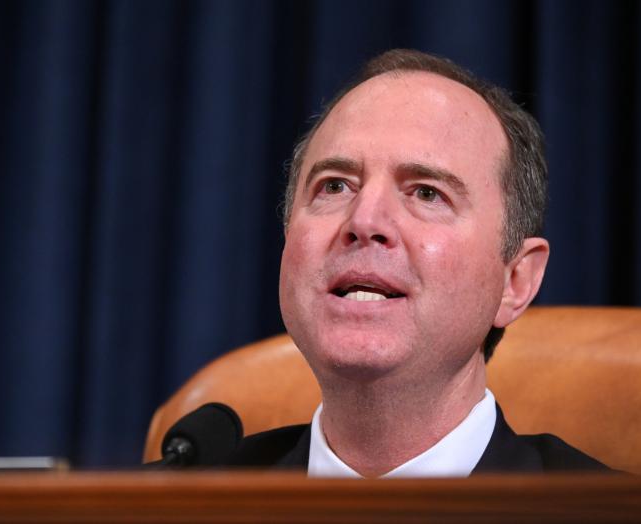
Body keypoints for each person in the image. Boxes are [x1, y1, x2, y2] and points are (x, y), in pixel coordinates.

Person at [225, 49, 607, 476]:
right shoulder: (167, 504)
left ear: (515, 280)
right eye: (334, 186)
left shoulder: (613, 513)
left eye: (426, 193)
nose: (364, 221)